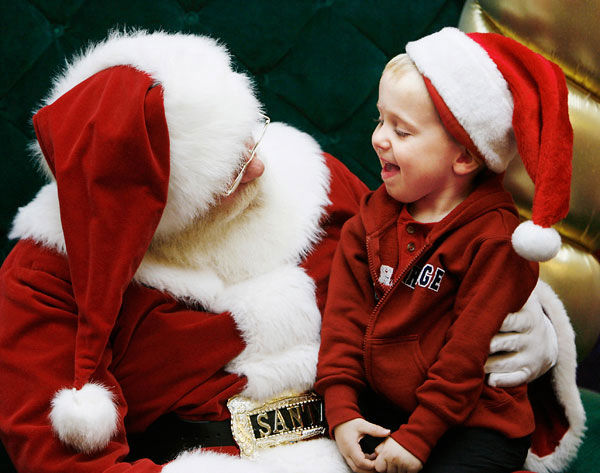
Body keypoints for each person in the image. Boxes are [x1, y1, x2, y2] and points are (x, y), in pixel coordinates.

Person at [0, 30, 583, 473]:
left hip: (391, 427)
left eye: (249, 137)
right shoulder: (44, 277)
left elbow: (439, 258)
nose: (257, 166)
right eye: (227, 173)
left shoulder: (309, 177)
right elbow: (57, 454)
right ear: (153, 208)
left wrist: (531, 325)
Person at [315, 27, 585, 473]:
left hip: (474, 422)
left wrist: (418, 439)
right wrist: (342, 410)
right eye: (380, 120)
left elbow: (465, 358)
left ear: (464, 157)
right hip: (388, 407)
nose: (380, 138)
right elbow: (342, 324)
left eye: (402, 131)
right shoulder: (367, 224)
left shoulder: (496, 242)